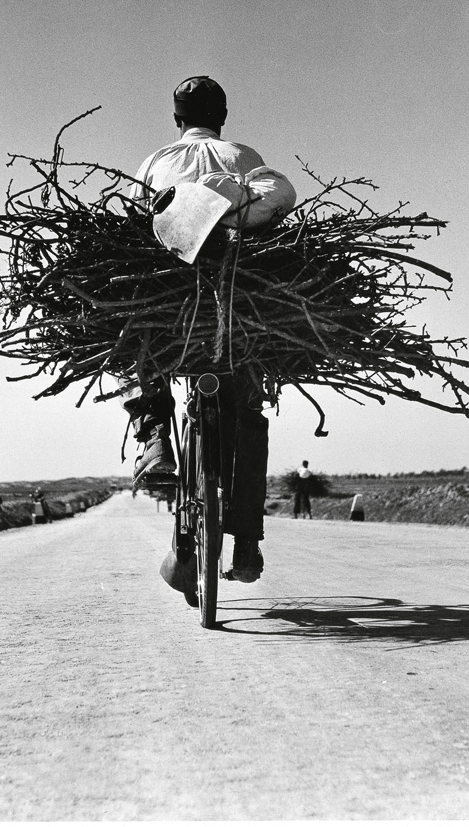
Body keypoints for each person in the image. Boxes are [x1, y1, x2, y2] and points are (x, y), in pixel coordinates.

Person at [124, 75, 296, 587]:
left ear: (177, 119)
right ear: (222, 117)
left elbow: (136, 223)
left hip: (170, 306)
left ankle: (155, 436)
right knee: (249, 415)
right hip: (242, 306)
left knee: (134, 343)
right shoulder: (244, 156)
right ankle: (246, 545)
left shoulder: (155, 161)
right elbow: (273, 209)